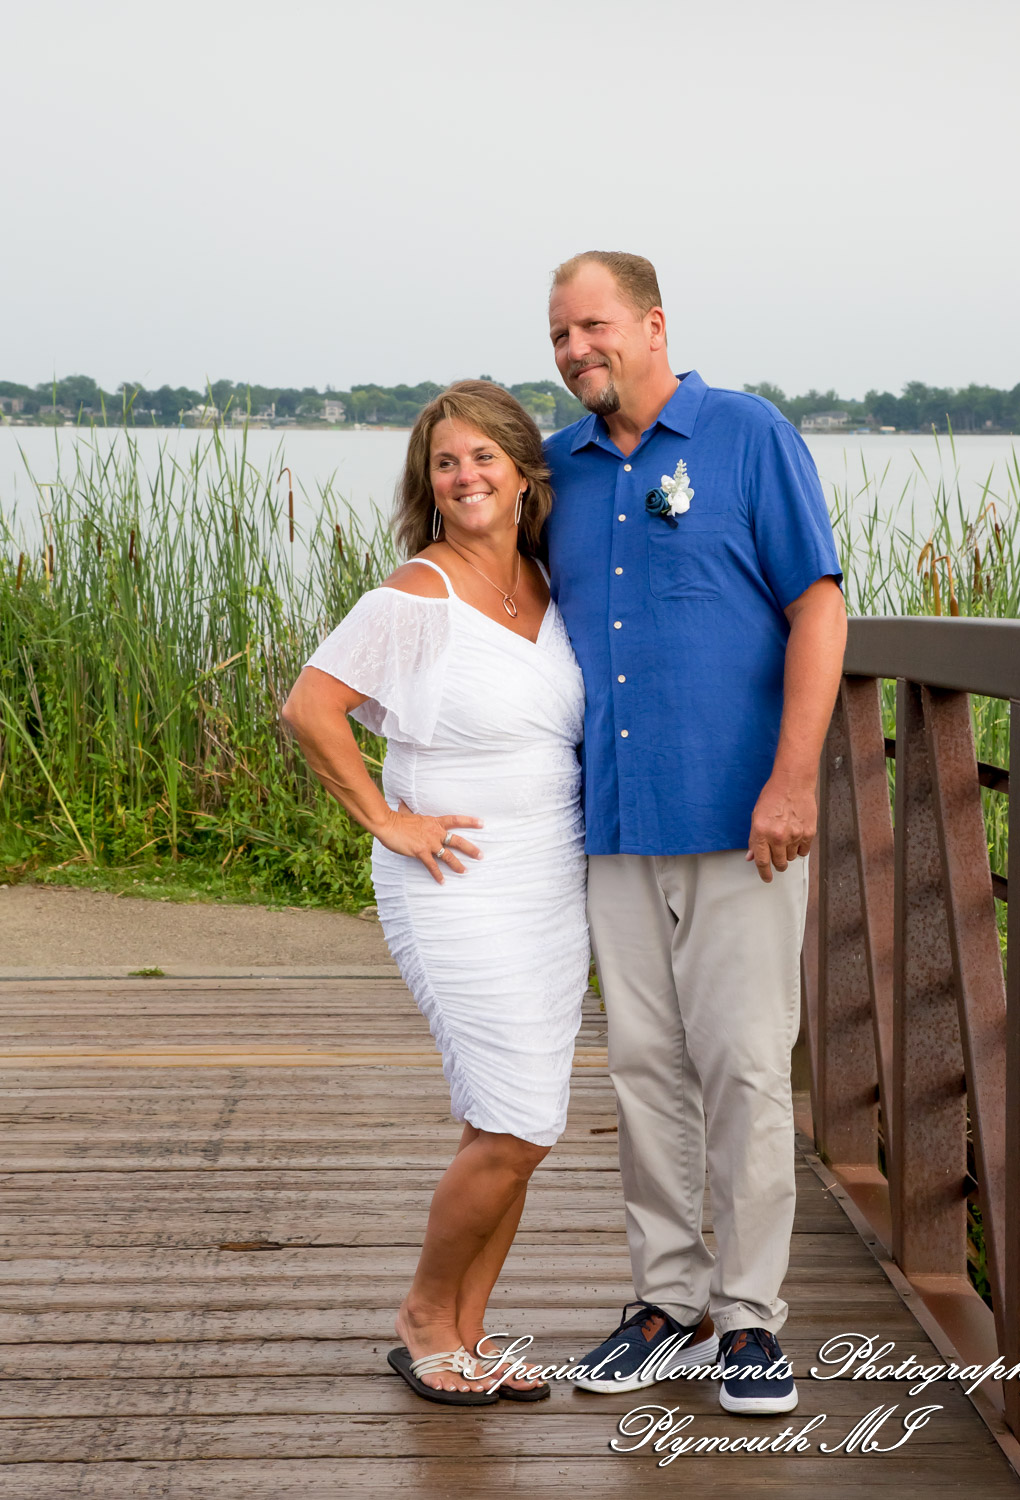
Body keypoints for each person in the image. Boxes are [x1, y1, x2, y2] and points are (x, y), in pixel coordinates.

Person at [543, 251, 848, 1415]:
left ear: (653, 323)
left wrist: (792, 778)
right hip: (614, 821)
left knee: (744, 1067)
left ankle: (751, 1317)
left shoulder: (745, 435)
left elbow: (816, 606)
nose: (576, 351)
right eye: (560, 335)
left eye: (594, 326)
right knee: (641, 1070)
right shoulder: (556, 469)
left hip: (740, 820)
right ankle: (665, 1300)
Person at [281, 381, 589, 1406]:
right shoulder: (416, 597)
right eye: (445, 463)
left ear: (523, 474)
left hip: (553, 883)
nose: (463, 477)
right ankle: (423, 1317)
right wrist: (386, 818)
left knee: (520, 1122)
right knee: (514, 1122)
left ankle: (467, 1329)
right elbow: (310, 709)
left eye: (482, 459)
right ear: (431, 483)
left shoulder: (550, 586)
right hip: (453, 884)